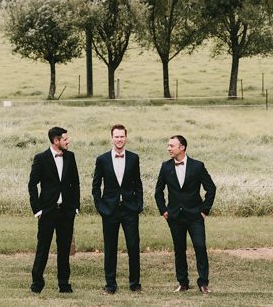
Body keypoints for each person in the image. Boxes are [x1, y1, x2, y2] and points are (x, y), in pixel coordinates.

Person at [154, 135, 216, 294]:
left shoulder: (197, 166)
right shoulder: (165, 167)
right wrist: (164, 211)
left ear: (182, 148)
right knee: (179, 249)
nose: (169, 148)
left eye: (171, 146)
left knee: (200, 247)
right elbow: (158, 191)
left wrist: (204, 210)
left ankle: (203, 283)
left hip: (195, 215)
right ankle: (183, 283)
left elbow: (211, 188)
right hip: (175, 216)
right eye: (168, 145)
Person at [28, 126, 80, 294]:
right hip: (47, 212)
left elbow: (75, 183)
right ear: (56, 141)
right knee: (43, 248)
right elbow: (32, 185)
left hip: (66, 212)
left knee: (64, 249)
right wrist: (37, 209)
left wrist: (75, 207)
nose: (68, 141)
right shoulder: (41, 158)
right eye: (65, 139)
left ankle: (64, 284)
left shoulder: (71, 157)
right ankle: (37, 284)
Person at [92, 123, 143, 294]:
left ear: (126, 138)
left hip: (129, 210)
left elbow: (138, 184)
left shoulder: (134, 158)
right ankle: (110, 285)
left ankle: (135, 283)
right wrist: (100, 207)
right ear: (111, 138)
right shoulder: (102, 159)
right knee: (110, 248)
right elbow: (96, 186)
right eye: (116, 136)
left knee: (133, 246)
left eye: (122, 136)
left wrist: (138, 205)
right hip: (109, 211)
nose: (119, 139)